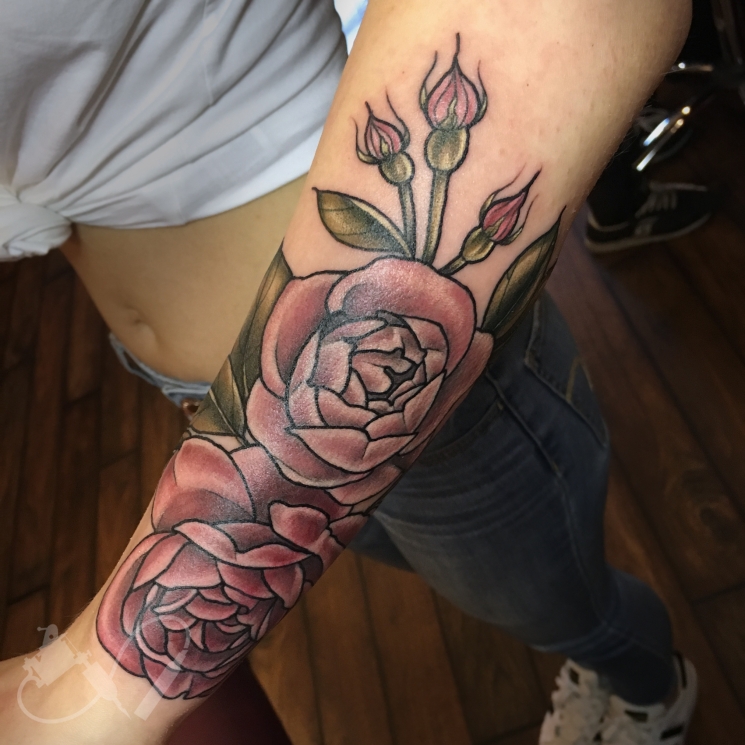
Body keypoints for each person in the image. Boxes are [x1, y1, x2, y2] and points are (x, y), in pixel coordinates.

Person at [0, 1, 698, 744]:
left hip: (438, 411)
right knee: (469, 585)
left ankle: (653, 691)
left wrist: (107, 680)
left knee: (563, 612)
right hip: (229, 413)